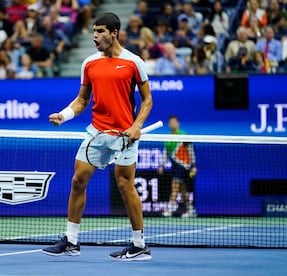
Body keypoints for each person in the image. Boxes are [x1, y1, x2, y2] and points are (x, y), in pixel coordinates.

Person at [42, 12, 153, 261]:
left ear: (114, 32)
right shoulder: (89, 63)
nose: (95, 36)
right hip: (97, 133)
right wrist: (64, 115)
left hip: (126, 135)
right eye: (94, 31)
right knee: (77, 181)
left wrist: (136, 126)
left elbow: (147, 100)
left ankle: (139, 245)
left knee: (125, 186)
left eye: (101, 31)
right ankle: (71, 241)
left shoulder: (134, 62)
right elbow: (82, 100)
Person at [159, 115, 197, 218]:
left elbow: (191, 151)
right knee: (183, 190)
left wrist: (193, 165)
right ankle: (191, 210)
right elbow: (166, 153)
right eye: (171, 122)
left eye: (174, 122)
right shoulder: (168, 138)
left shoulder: (184, 136)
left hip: (184, 166)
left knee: (175, 187)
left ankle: (170, 210)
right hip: (175, 166)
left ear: (178, 123)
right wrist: (162, 165)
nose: (173, 124)